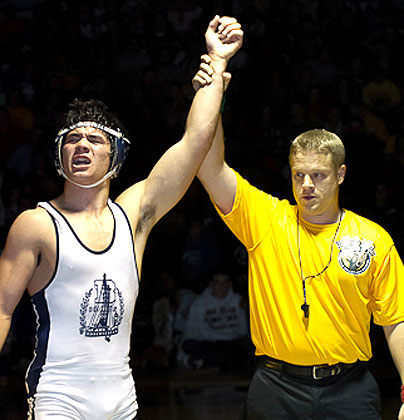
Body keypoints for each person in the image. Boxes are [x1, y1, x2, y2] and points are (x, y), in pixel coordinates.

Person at [0, 16, 243, 420]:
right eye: (72, 139)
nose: (82, 145)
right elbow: (3, 309)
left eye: (94, 139)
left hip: (122, 397)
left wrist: (217, 66)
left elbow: (194, 143)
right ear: (59, 155)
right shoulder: (36, 224)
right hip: (58, 395)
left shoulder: (133, 216)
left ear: (115, 156)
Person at [192, 55, 404, 419]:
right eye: (298, 175)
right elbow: (210, 168)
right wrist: (213, 97)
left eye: (318, 175)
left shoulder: (373, 239)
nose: (306, 185)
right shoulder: (265, 219)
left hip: (350, 388)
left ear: (340, 175)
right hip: (276, 387)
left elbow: (396, 320)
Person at [179, 269, 250, 370]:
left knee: (248, 344)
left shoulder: (238, 300)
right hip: (209, 342)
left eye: (225, 282)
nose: (221, 286)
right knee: (188, 345)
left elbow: (243, 328)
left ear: (229, 284)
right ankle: (226, 362)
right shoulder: (200, 302)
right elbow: (191, 329)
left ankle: (212, 362)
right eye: (217, 282)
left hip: (232, 342)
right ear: (211, 284)